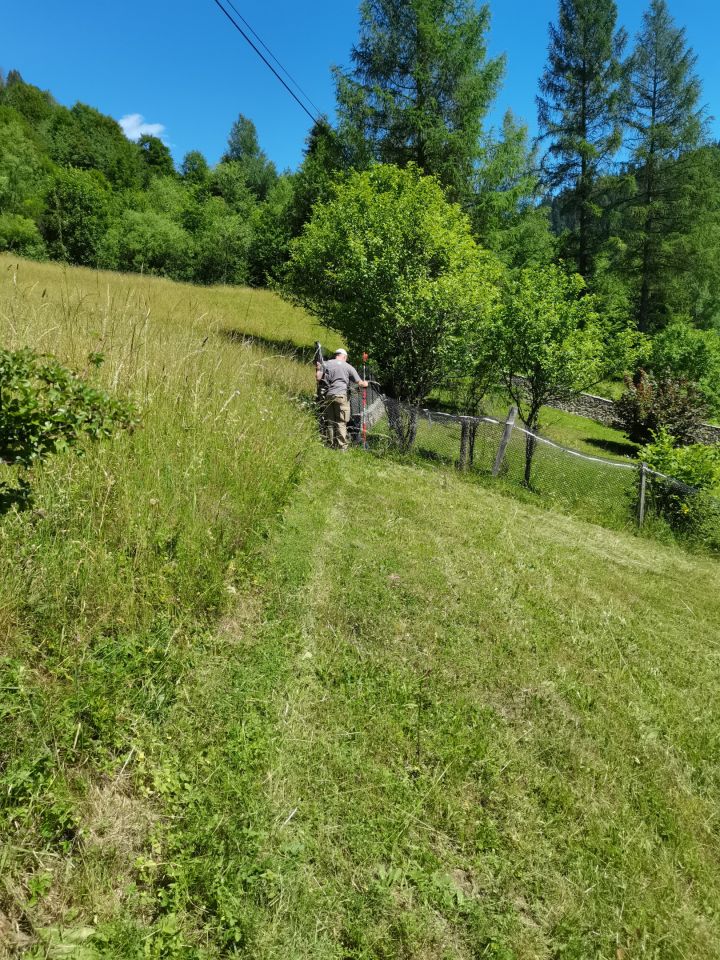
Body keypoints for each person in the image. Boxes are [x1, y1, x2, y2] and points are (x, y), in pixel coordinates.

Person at [316, 348, 368, 451]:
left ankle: (330, 445)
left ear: (336, 355)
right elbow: (360, 383)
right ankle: (341, 447)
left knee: (330, 421)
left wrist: (318, 368)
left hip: (328, 396)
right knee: (341, 422)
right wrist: (366, 383)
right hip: (341, 396)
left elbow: (318, 378)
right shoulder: (348, 366)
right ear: (344, 357)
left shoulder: (325, 364)